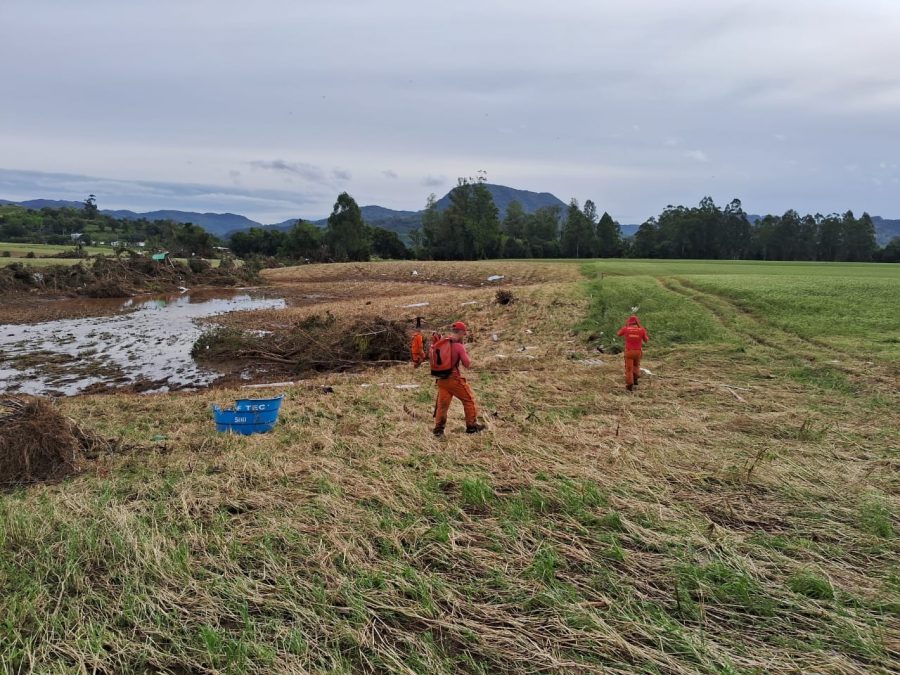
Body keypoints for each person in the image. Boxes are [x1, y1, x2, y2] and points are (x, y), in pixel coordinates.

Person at [430, 321, 484, 437]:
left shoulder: (443, 342)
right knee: (469, 400)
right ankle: (472, 426)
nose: (464, 335)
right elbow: (467, 364)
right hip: (453, 379)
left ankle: (438, 430)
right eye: (464, 333)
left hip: (441, 380)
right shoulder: (458, 346)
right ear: (461, 332)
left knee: (442, 406)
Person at [616, 315, 649, 391]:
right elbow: (646, 340)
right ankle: (635, 379)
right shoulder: (641, 330)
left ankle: (630, 384)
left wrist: (626, 330)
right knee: (636, 365)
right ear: (637, 322)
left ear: (629, 322)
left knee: (629, 369)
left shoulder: (626, 329)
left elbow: (618, 334)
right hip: (638, 352)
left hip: (629, 352)